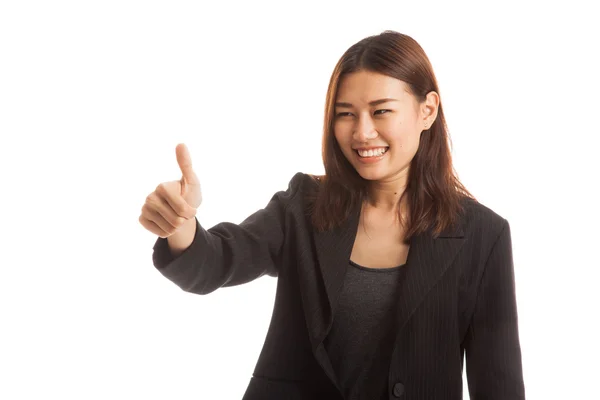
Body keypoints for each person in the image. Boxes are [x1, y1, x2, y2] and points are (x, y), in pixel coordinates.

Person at [139, 30, 526, 400]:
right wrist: (182, 224)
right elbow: (217, 261)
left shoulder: (482, 235)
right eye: (345, 114)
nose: (362, 132)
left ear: (427, 110)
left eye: (381, 111)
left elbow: (499, 386)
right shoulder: (303, 206)